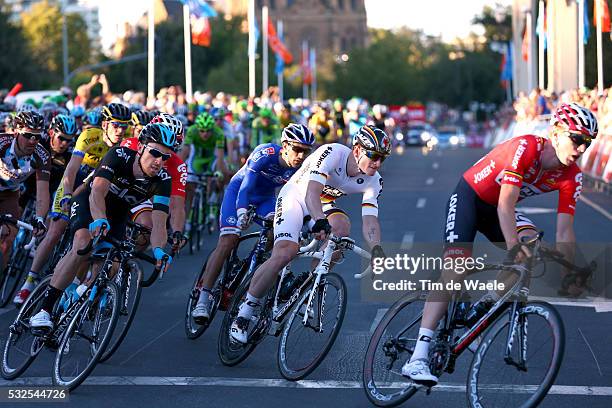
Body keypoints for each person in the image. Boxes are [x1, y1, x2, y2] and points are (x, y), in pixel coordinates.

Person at [401, 102, 599, 385]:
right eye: (577, 139)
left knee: (533, 246)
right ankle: (418, 357)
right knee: (456, 268)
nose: (581, 148)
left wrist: (570, 271)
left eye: (587, 143)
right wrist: (512, 247)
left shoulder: (572, 176)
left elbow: (565, 231)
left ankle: (482, 308)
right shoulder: (527, 147)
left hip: (497, 208)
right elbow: (506, 204)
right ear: (556, 133)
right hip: (471, 197)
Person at [229, 125, 391, 343]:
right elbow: (311, 192)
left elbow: (370, 219)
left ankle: (311, 283)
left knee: (342, 230)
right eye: (374, 156)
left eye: (383, 158)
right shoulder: (332, 153)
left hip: (323, 204)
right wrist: (320, 222)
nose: (378, 163)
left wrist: (376, 249)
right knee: (285, 252)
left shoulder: (374, 180)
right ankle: (244, 314)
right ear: (357, 150)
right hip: (297, 196)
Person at [29, 123, 176, 333]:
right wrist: (98, 219)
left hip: (118, 214)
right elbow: (97, 192)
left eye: (166, 157)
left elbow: (160, 223)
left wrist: (160, 249)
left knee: (111, 265)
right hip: (90, 202)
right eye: (155, 153)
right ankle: (44, 310)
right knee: (83, 244)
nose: (159, 161)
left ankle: (76, 301)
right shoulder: (119, 155)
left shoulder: (163, 180)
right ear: (141, 147)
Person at [191, 124, 315, 323]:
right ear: (285, 145)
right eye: (297, 149)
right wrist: (242, 213)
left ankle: (249, 268)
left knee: (276, 234)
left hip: (265, 199)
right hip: (239, 193)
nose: (301, 155)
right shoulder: (265, 153)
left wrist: (309, 224)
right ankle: (203, 298)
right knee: (229, 240)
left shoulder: (301, 168)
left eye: (306, 151)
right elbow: (246, 186)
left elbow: (303, 199)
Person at [12, 104, 129, 305]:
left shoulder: (125, 147)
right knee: (55, 231)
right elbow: (71, 170)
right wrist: (66, 195)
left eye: (124, 126)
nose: (120, 131)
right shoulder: (89, 136)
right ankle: (28, 282)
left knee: (90, 238)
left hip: (95, 190)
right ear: (105, 124)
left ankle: (75, 281)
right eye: (116, 125)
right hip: (76, 182)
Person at [14, 115, 77, 304]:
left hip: (53, 190)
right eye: (61, 138)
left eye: (69, 139)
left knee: (52, 231)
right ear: (50, 133)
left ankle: (29, 282)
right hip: (28, 185)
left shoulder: (70, 154)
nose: (65, 143)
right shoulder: (36, 142)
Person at [0, 111, 50, 270]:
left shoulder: (42, 157)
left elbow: (42, 192)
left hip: (9, 193)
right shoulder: (2, 143)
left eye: (38, 136)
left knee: (9, 238)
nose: (33, 141)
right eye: (28, 135)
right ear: (16, 131)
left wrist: (40, 218)